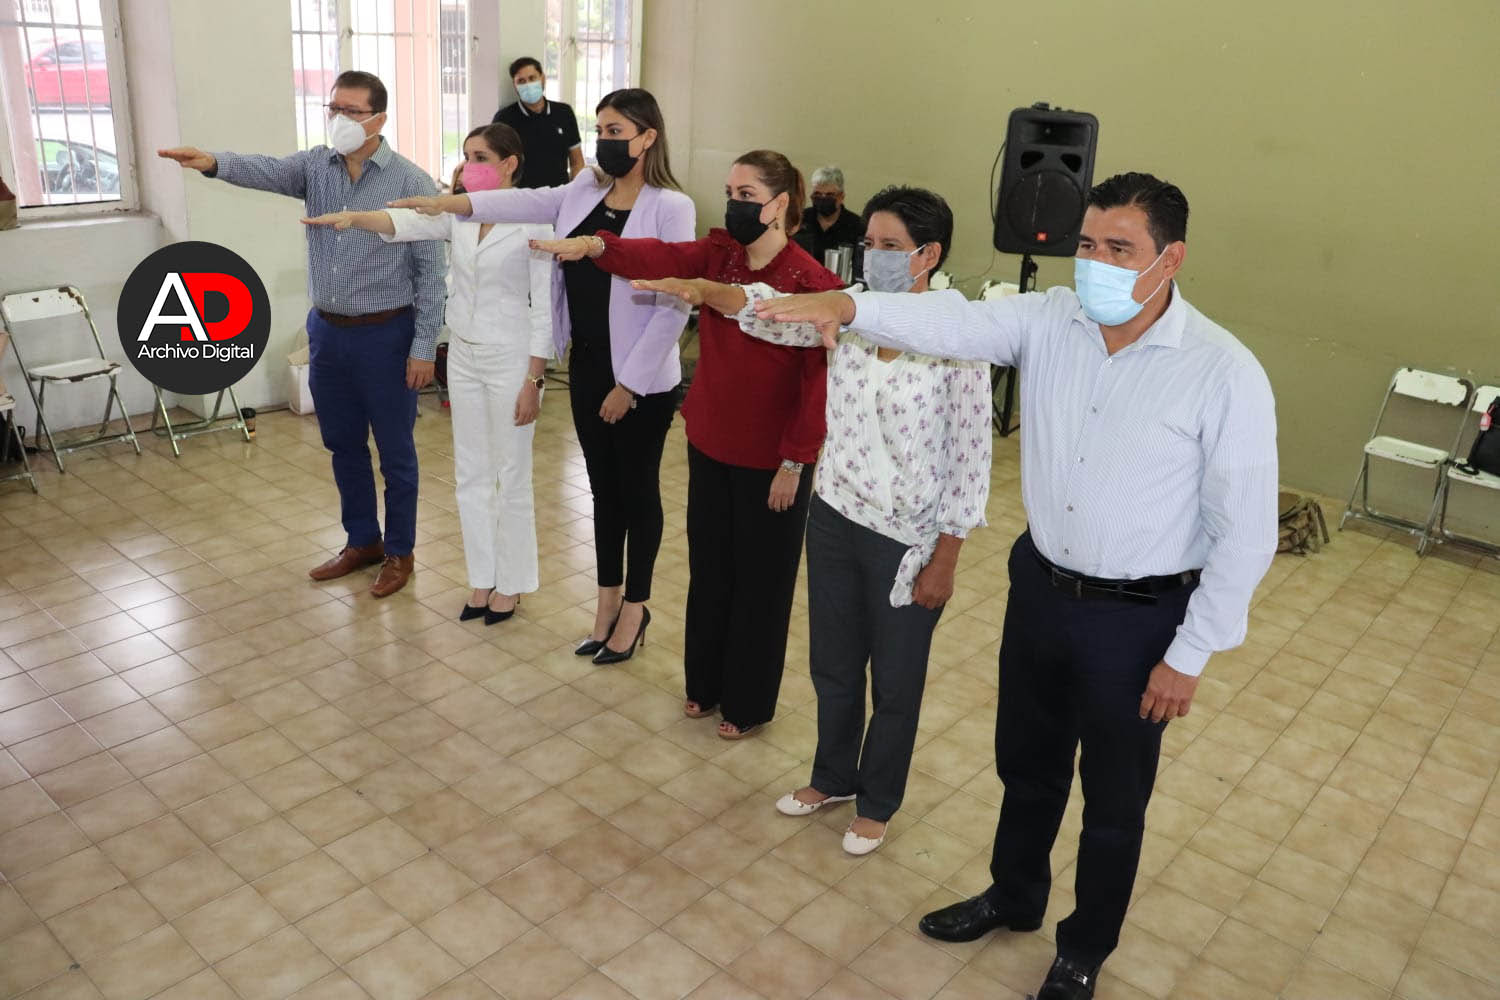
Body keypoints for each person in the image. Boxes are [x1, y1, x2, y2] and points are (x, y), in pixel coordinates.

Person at [754, 172, 1278, 1000]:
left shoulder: (1221, 371)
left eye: (1120, 249)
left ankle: (1084, 948)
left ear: (1170, 259)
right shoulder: (1050, 319)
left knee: (1113, 799)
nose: (1095, 263)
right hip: (1041, 589)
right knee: (1026, 766)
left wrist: (1191, 653)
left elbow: (1246, 532)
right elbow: (951, 321)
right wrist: (848, 306)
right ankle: (1013, 895)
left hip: (1137, 616)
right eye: (1087, 245)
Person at [634, 186, 991, 853]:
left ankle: (878, 800)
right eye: (870, 244)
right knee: (833, 662)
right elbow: (769, 312)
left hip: (907, 537)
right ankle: (832, 777)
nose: (875, 256)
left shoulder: (960, 338)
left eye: (891, 246)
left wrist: (947, 554)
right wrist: (709, 291)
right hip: (835, 515)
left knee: (895, 679)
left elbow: (971, 458)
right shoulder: (847, 310)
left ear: (928, 255)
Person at [529, 150, 844, 738]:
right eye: (730, 192)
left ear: (779, 204)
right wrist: (597, 246)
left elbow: (816, 385)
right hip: (711, 440)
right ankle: (705, 684)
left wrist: (795, 461)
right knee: (711, 570)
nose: (734, 204)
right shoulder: (721, 254)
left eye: (747, 195)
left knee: (761, 583)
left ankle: (747, 703)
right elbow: (661, 254)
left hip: (770, 457)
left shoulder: (811, 282)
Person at [390, 89, 692, 664]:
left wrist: (628, 384)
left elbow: (674, 303)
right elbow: (520, 200)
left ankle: (635, 608)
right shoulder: (584, 190)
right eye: (600, 129)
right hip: (587, 361)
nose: (604, 140)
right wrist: (447, 203)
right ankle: (605, 606)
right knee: (603, 493)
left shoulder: (670, 206)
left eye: (616, 130)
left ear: (648, 137)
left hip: (640, 376)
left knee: (637, 492)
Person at [159, 70, 445, 599]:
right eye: (333, 108)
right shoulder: (317, 166)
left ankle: (400, 552)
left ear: (379, 119)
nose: (339, 119)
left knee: (396, 452)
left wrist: (424, 347)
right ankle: (363, 540)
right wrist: (213, 162)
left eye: (351, 111)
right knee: (342, 445)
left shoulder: (412, 181)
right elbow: (267, 169)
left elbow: (431, 273)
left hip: (387, 334)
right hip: (329, 334)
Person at [302, 123, 553, 624]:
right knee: (470, 474)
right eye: (465, 156)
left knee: (511, 474)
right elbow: (408, 223)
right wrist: (354, 218)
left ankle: (513, 583)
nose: (467, 166)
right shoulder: (460, 216)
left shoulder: (535, 220)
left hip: (510, 357)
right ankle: (482, 579)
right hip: (463, 355)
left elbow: (545, 306)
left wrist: (534, 379)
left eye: (480, 157)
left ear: (509, 164)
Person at [492, 57, 583, 189]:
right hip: (521, 196)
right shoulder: (504, 118)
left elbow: (577, 162)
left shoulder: (564, 112)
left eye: (532, 78)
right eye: (521, 81)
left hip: (559, 195)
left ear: (543, 79)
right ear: (514, 85)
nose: (528, 85)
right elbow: (495, 164)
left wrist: (575, 192)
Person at [793, 165, 865, 266]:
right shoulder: (799, 219)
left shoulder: (857, 226)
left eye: (829, 195)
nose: (823, 198)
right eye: (817, 194)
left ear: (841, 197)